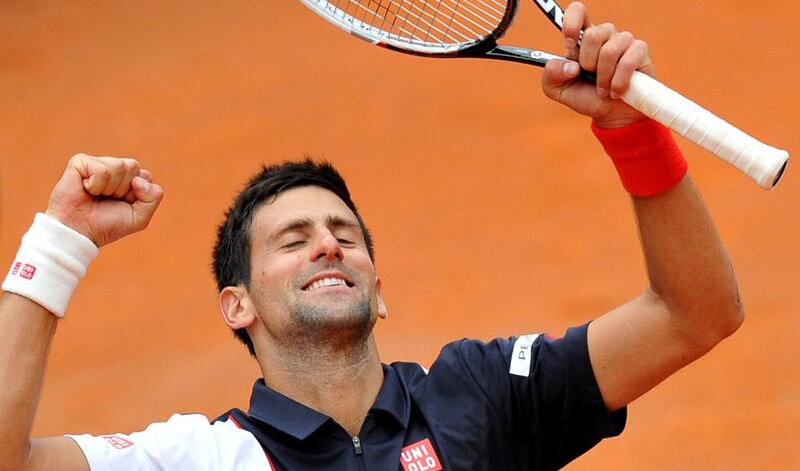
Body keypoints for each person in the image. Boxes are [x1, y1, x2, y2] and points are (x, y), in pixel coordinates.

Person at [0, 3, 743, 470]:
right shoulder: (198, 457)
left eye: (344, 234)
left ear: (379, 291)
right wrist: (60, 241)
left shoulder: (478, 396)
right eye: (292, 241)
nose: (327, 245)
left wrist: (629, 130)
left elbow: (695, 314)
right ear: (237, 306)